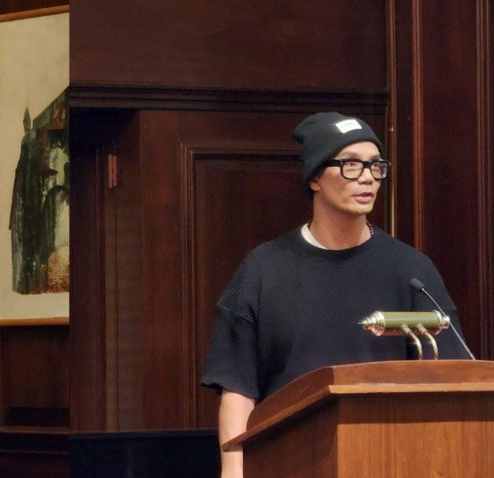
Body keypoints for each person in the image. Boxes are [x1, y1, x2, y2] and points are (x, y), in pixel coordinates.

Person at [200, 112, 470, 478]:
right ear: (314, 178)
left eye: (376, 166)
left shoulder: (412, 272)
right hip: (288, 460)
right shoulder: (263, 270)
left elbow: (452, 377)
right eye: (350, 165)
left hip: (389, 460)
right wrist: (234, 470)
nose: (367, 178)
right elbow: (238, 388)